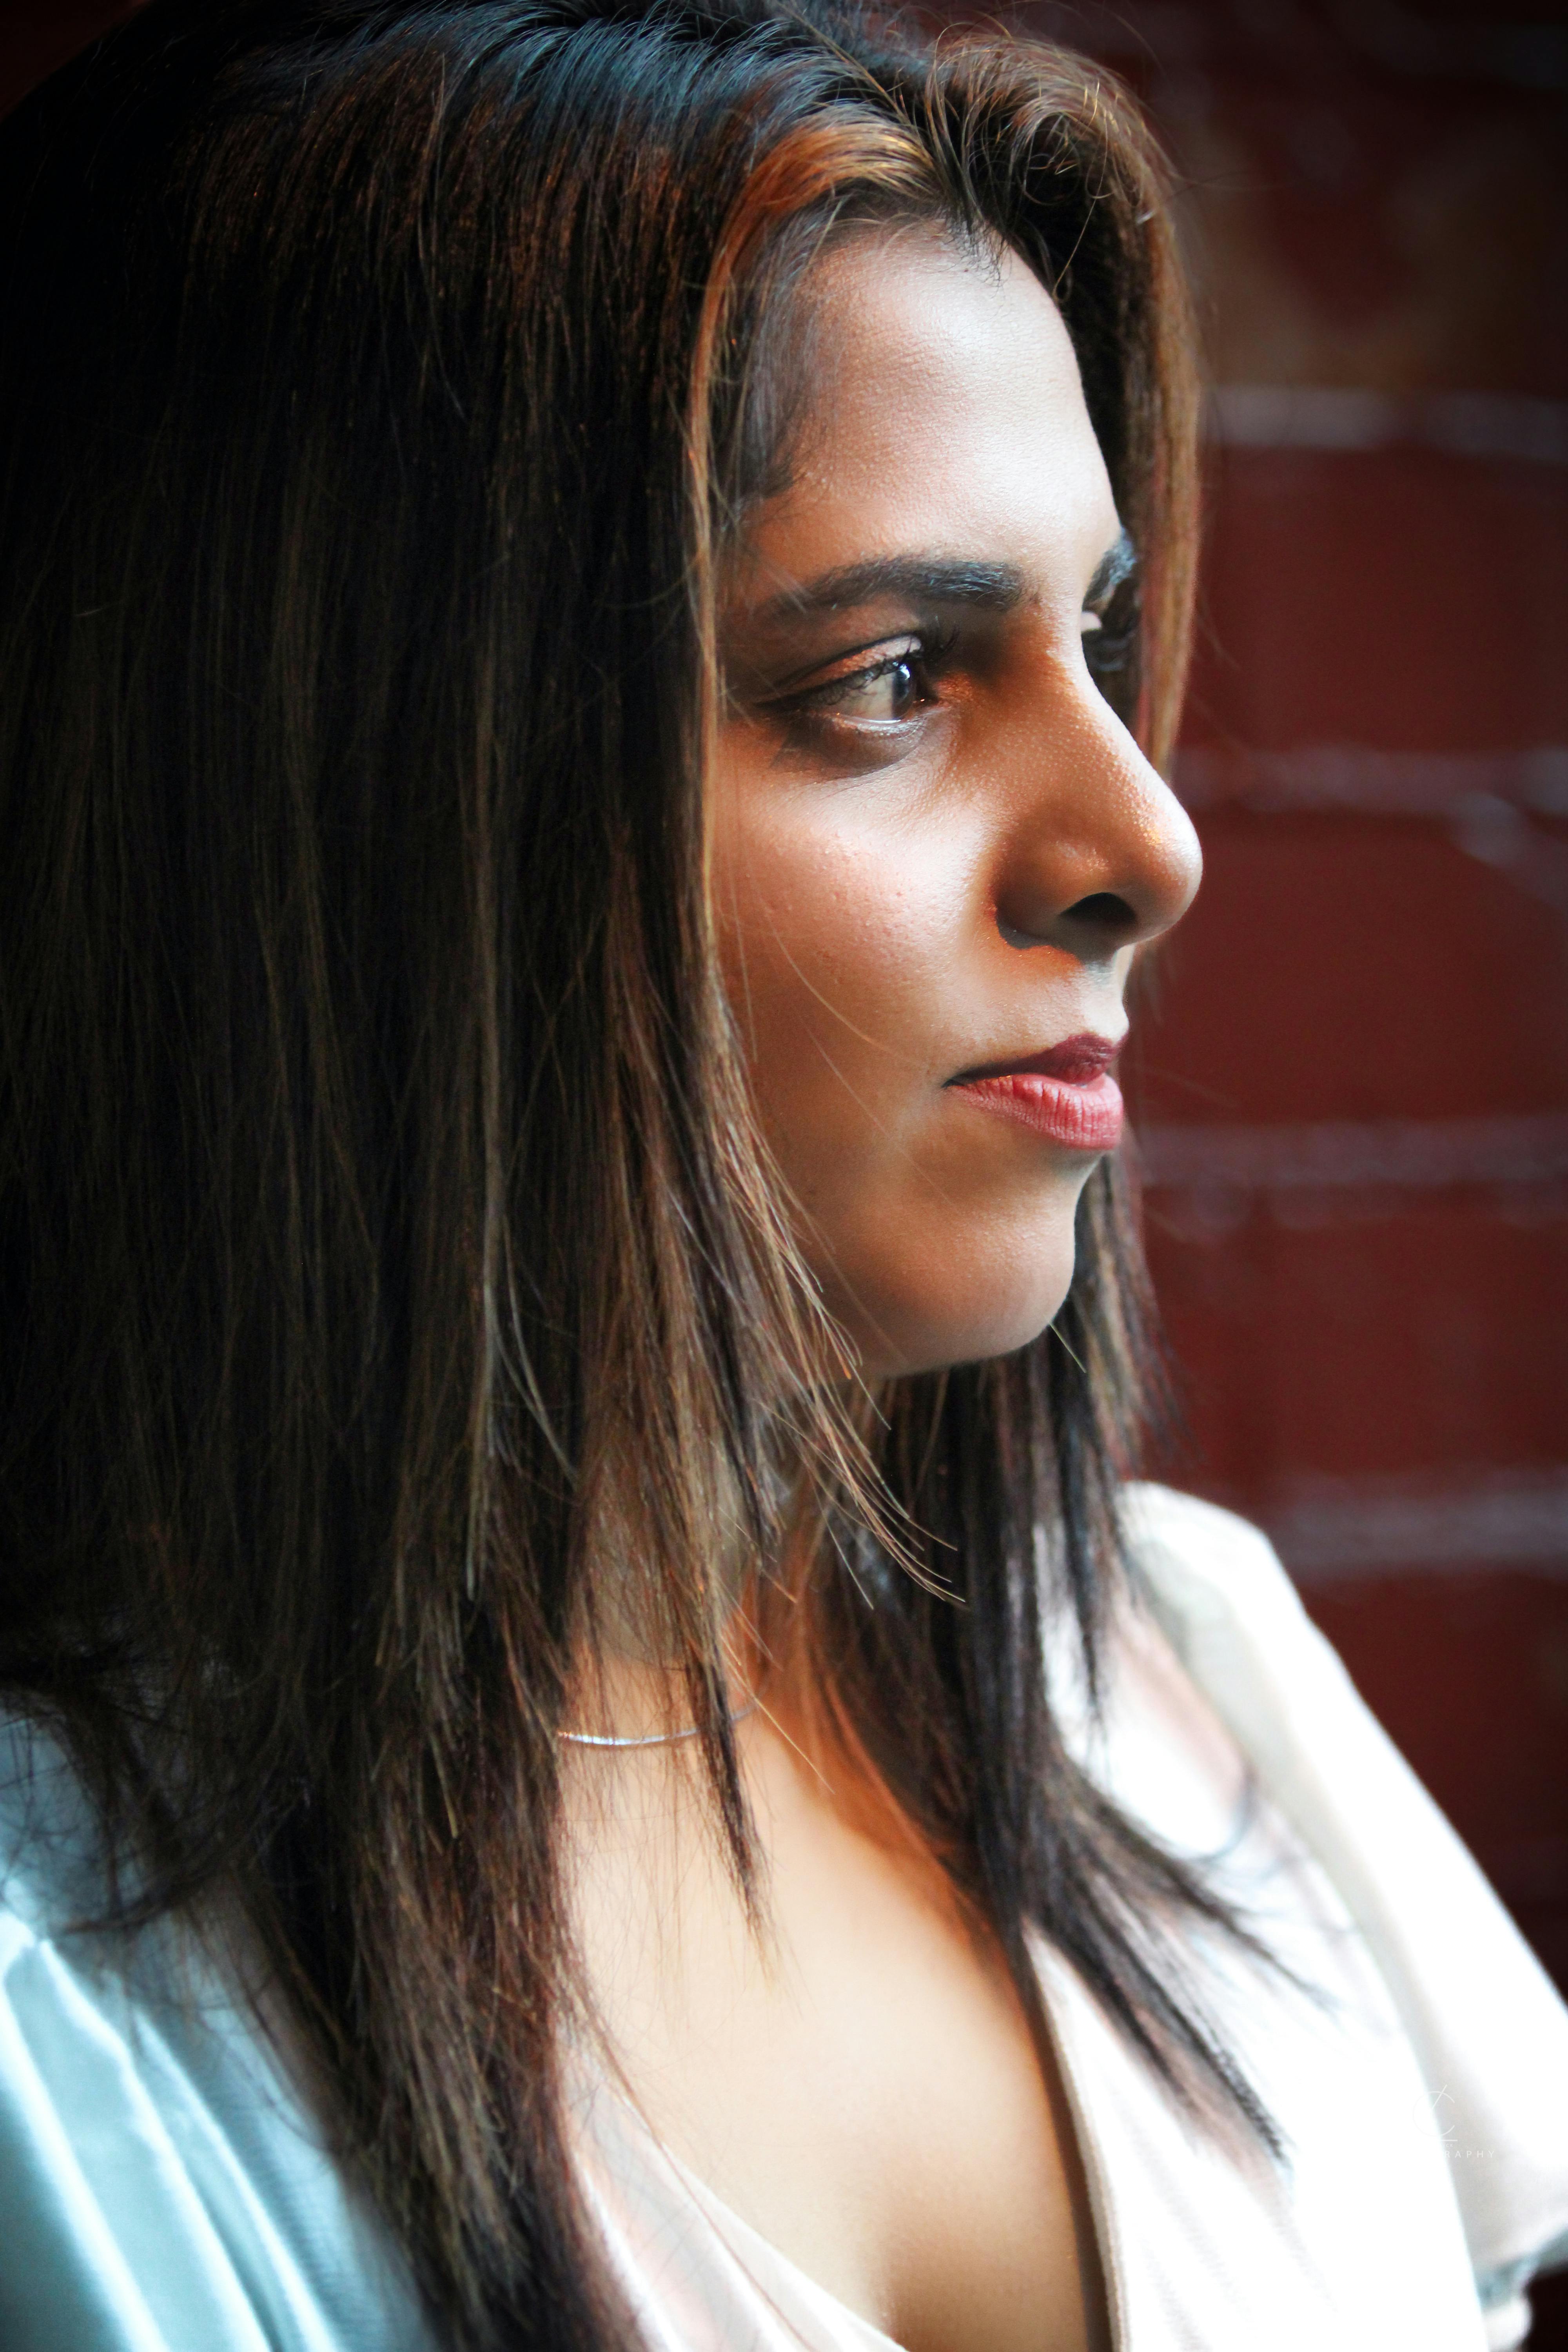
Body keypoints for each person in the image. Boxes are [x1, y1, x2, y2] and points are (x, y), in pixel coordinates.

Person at [0, 3, 1564, 2347]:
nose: (1147, 841)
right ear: (347, 812)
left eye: (1098, 635)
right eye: (896, 676)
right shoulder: (66, 2040)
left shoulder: (1177, 1692)